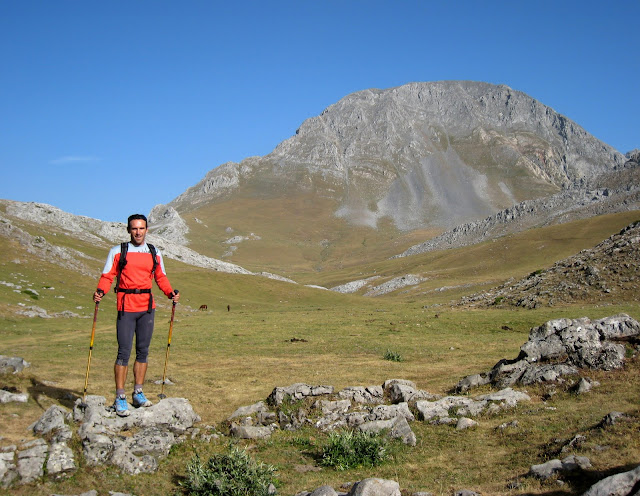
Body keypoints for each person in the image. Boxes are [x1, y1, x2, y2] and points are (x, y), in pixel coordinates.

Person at [93, 214, 179, 417]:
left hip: (147, 308)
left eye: (141, 228)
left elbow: (160, 277)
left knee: (143, 352)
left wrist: (170, 293)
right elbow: (108, 276)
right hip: (126, 307)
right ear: (128, 230)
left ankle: (138, 393)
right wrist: (100, 291)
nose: (138, 232)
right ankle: (120, 397)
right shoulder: (118, 251)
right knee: (123, 352)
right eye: (134, 228)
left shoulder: (154, 252)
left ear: (146, 230)